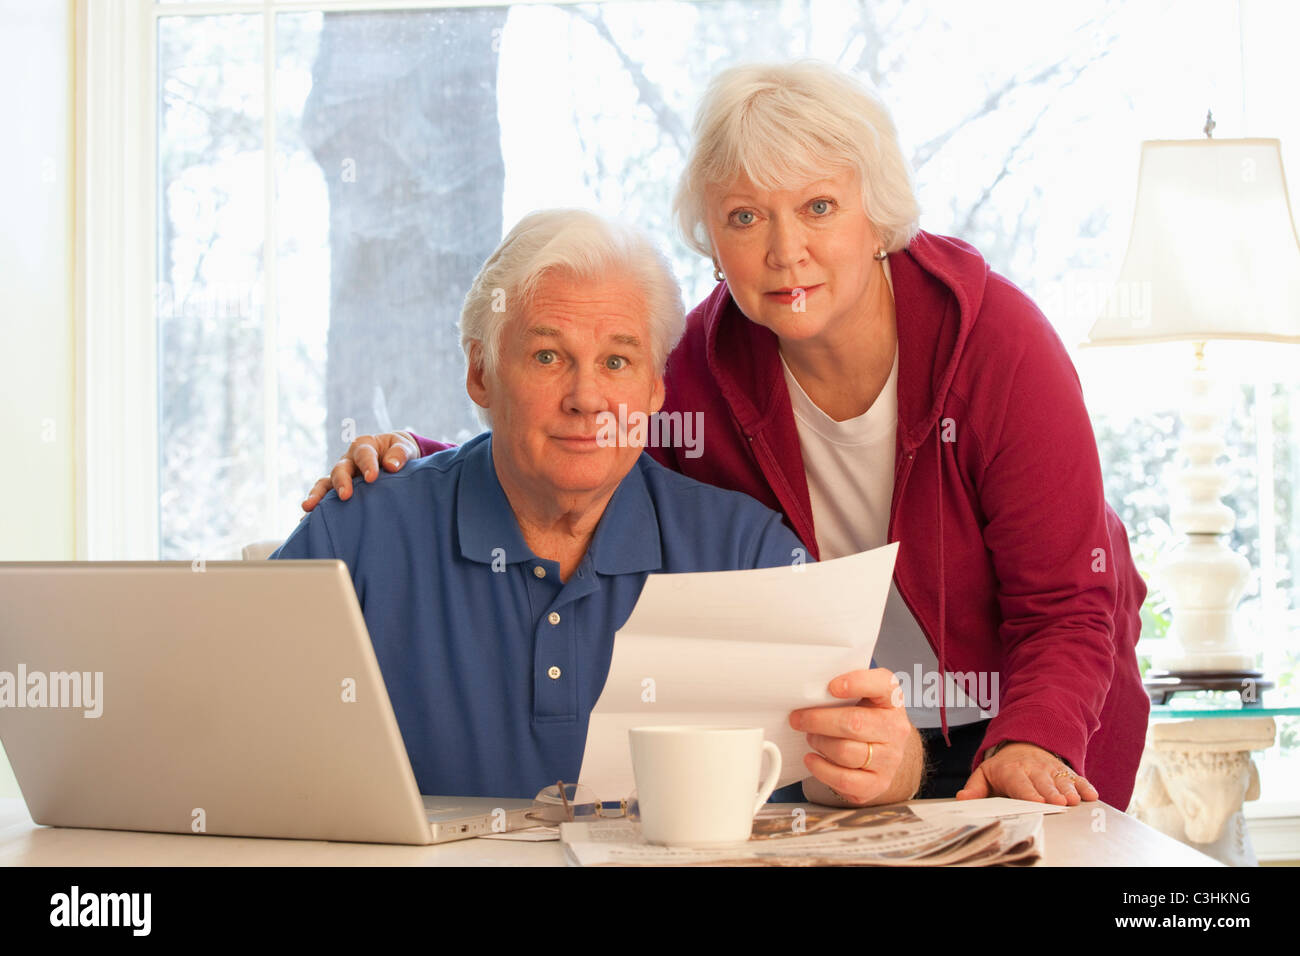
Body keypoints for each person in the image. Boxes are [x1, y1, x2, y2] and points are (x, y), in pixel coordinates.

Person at [303, 62, 1150, 810]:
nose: (787, 251)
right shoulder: (700, 361)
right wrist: (419, 462)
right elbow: (583, 437)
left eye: (819, 206)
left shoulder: (994, 342)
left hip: (1030, 703)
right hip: (830, 727)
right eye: (746, 218)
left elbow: (1072, 601)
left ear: (876, 214)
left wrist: (1033, 738)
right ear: (712, 235)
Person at [274, 208, 924, 802]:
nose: (586, 398)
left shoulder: (743, 550)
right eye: (548, 356)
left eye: (617, 361)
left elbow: (864, 747)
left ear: (654, 389)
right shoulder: (359, 531)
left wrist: (886, 767)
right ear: (480, 372)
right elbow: (227, 729)